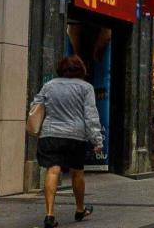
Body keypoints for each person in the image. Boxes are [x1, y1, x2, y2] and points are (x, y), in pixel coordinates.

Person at [31, 55, 104, 228]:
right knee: (77, 172)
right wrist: (97, 141)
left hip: (50, 134)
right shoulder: (86, 88)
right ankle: (80, 209)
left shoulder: (49, 86)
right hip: (75, 136)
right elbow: (91, 115)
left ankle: (49, 215)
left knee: (53, 171)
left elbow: (36, 105)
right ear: (81, 70)